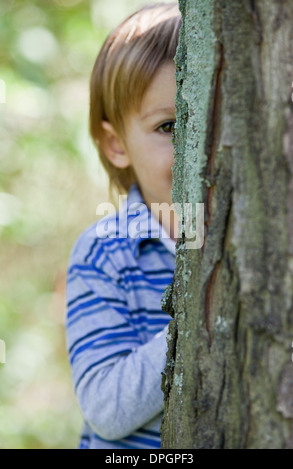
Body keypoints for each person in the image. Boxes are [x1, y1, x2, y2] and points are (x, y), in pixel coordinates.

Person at [65, 2, 181, 449]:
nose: (199, 142)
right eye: (169, 125)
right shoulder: (104, 253)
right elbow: (105, 409)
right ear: (116, 144)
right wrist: (203, 321)